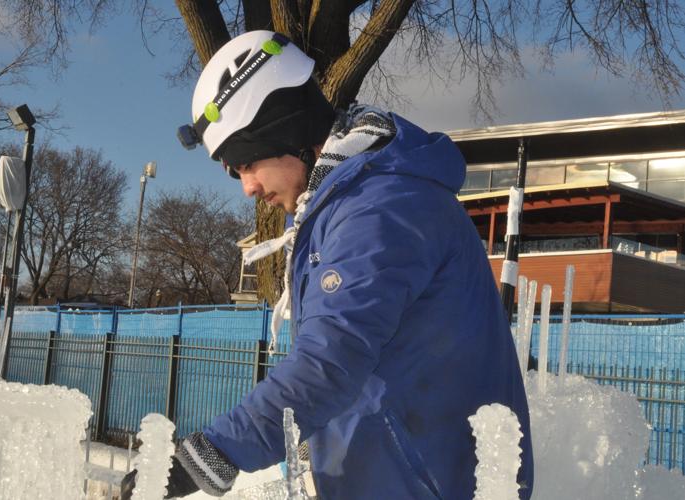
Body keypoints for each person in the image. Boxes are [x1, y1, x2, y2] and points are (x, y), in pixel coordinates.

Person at [122, 30, 533, 499]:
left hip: (428, 485)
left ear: (282, 129)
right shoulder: (348, 202)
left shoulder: (382, 207)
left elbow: (331, 360)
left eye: (244, 163)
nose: (247, 187)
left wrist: (212, 454)